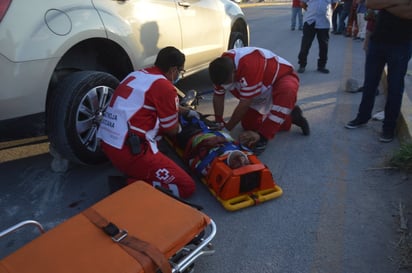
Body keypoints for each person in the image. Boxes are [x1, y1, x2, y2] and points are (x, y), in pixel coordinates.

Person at [97, 46, 198, 198]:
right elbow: (171, 129)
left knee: (153, 127)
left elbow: (151, 103)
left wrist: (184, 111)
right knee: (187, 187)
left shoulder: (138, 75)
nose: (179, 75)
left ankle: (141, 168)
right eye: (180, 71)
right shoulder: (165, 87)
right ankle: (127, 184)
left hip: (108, 142)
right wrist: (181, 127)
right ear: (173, 69)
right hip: (129, 152)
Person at [208, 46, 310, 155]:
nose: (225, 85)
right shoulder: (220, 69)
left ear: (234, 71)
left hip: (281, 78)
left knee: (287, 91)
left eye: (227, 82)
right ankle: (291, 117)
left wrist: (226, 130)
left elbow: (244, 103)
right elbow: (218, 95)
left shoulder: (249, 64)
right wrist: (219, 121)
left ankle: (263, 137)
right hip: (259, 89)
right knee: (249, 125)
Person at [345, 1, 412, 143]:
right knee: (370, 83)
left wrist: (386, 4)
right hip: (378, 42)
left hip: (401, 45)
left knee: (395, 87)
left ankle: (388, 128)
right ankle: (362, 117)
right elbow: (371, 3)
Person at [173, 113, 256, 176]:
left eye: (239, 165)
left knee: (178, 122)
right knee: (196, 116)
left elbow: (192, 162)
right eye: (246, 163)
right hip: (212, 129)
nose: (242, 160)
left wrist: (204, 146)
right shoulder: (245, 151)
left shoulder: (209, 165)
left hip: (191, 135)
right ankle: (186, 110)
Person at [297, 0, 339, 74]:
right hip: (310, 21)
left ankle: (322, 66)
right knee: (305, 44)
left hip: (324, 22)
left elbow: (334, 4)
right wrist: (310, 11)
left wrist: (328, 12)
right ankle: (302, 64)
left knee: (324, 45)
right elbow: (302, 3)